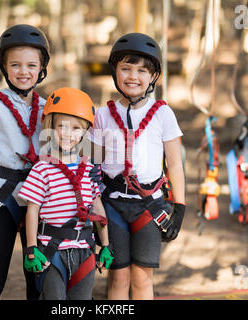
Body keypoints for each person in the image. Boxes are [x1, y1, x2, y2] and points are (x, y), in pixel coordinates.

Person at [88, 33, 186, 300]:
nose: (133, 76)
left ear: (153, 76)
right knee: (118, 276)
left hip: (149, 206)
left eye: (142, 70)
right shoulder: (102, 115)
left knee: (142, 278)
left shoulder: (164, 114)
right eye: (126, 68)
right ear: (114, 71)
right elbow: (92, 164)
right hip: (112, 205)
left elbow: (175, 164)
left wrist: (180, 207)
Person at [0, 24, 50, 300]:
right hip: (1, 202)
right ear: (4, 67)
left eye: (31, 65)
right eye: (15, 65)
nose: (23, 71)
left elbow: (65, 148)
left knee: (37, 276)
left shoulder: (48, 108)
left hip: (37, 202)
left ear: (41, 68)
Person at [17, 87, 114, 300]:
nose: (68, 133)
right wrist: (31, 248)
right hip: (51, 252)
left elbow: (97, 208)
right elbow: (32, 211)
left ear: (85, 132)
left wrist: (105, 245)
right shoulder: (42, 169)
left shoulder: (89, 169)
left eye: (76, 128)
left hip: (85, 250)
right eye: (62, 126)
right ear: (50, 127)